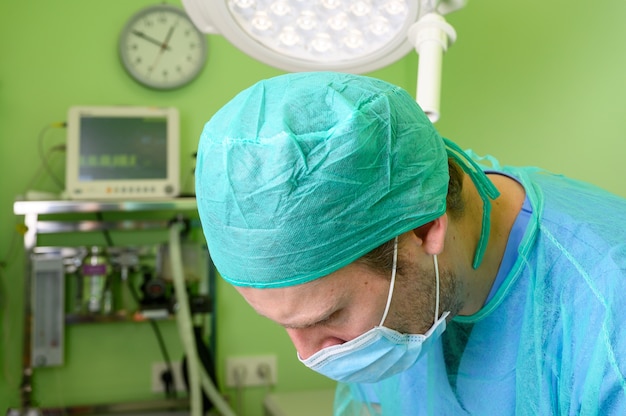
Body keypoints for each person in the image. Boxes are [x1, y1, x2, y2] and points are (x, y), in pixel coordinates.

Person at [195, 71, 626, 415]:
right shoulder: (379, 299)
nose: (311, 356)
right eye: (286, 325)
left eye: (327, 316)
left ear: (422, 230)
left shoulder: (608, 313)